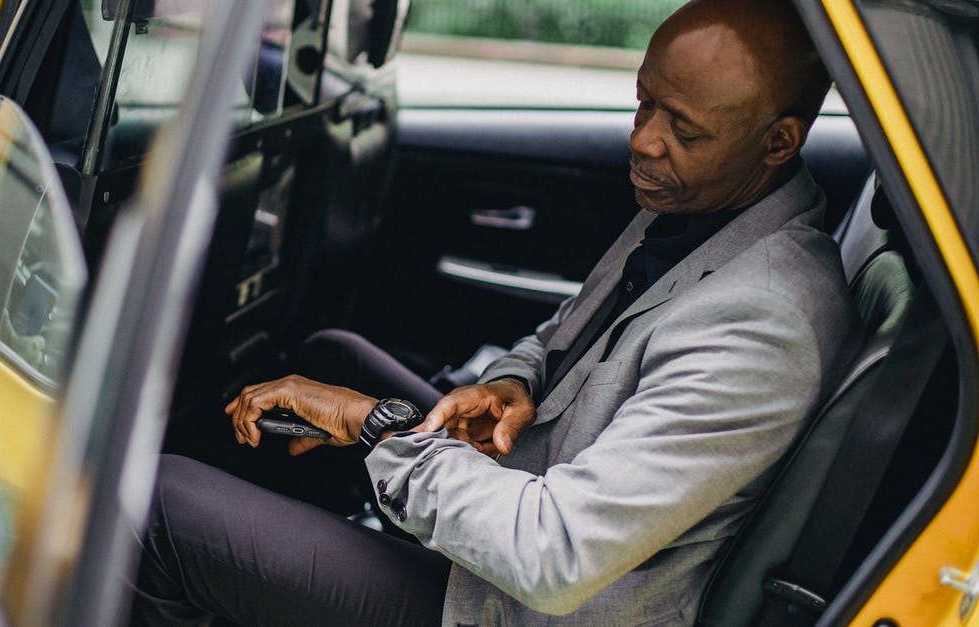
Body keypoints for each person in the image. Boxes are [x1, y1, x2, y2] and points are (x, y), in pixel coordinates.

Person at [131, 0, 862, 624]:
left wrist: (372, 423)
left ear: (779, 142)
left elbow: (557, 554)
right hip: (524, 500)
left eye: (684, 128)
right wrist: (516, 384)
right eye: (644, 102)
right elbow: (562, 336)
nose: (642, 139)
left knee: (154, 507)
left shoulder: (767, 321)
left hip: (522, 602)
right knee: (328, 356)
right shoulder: (701, 205)